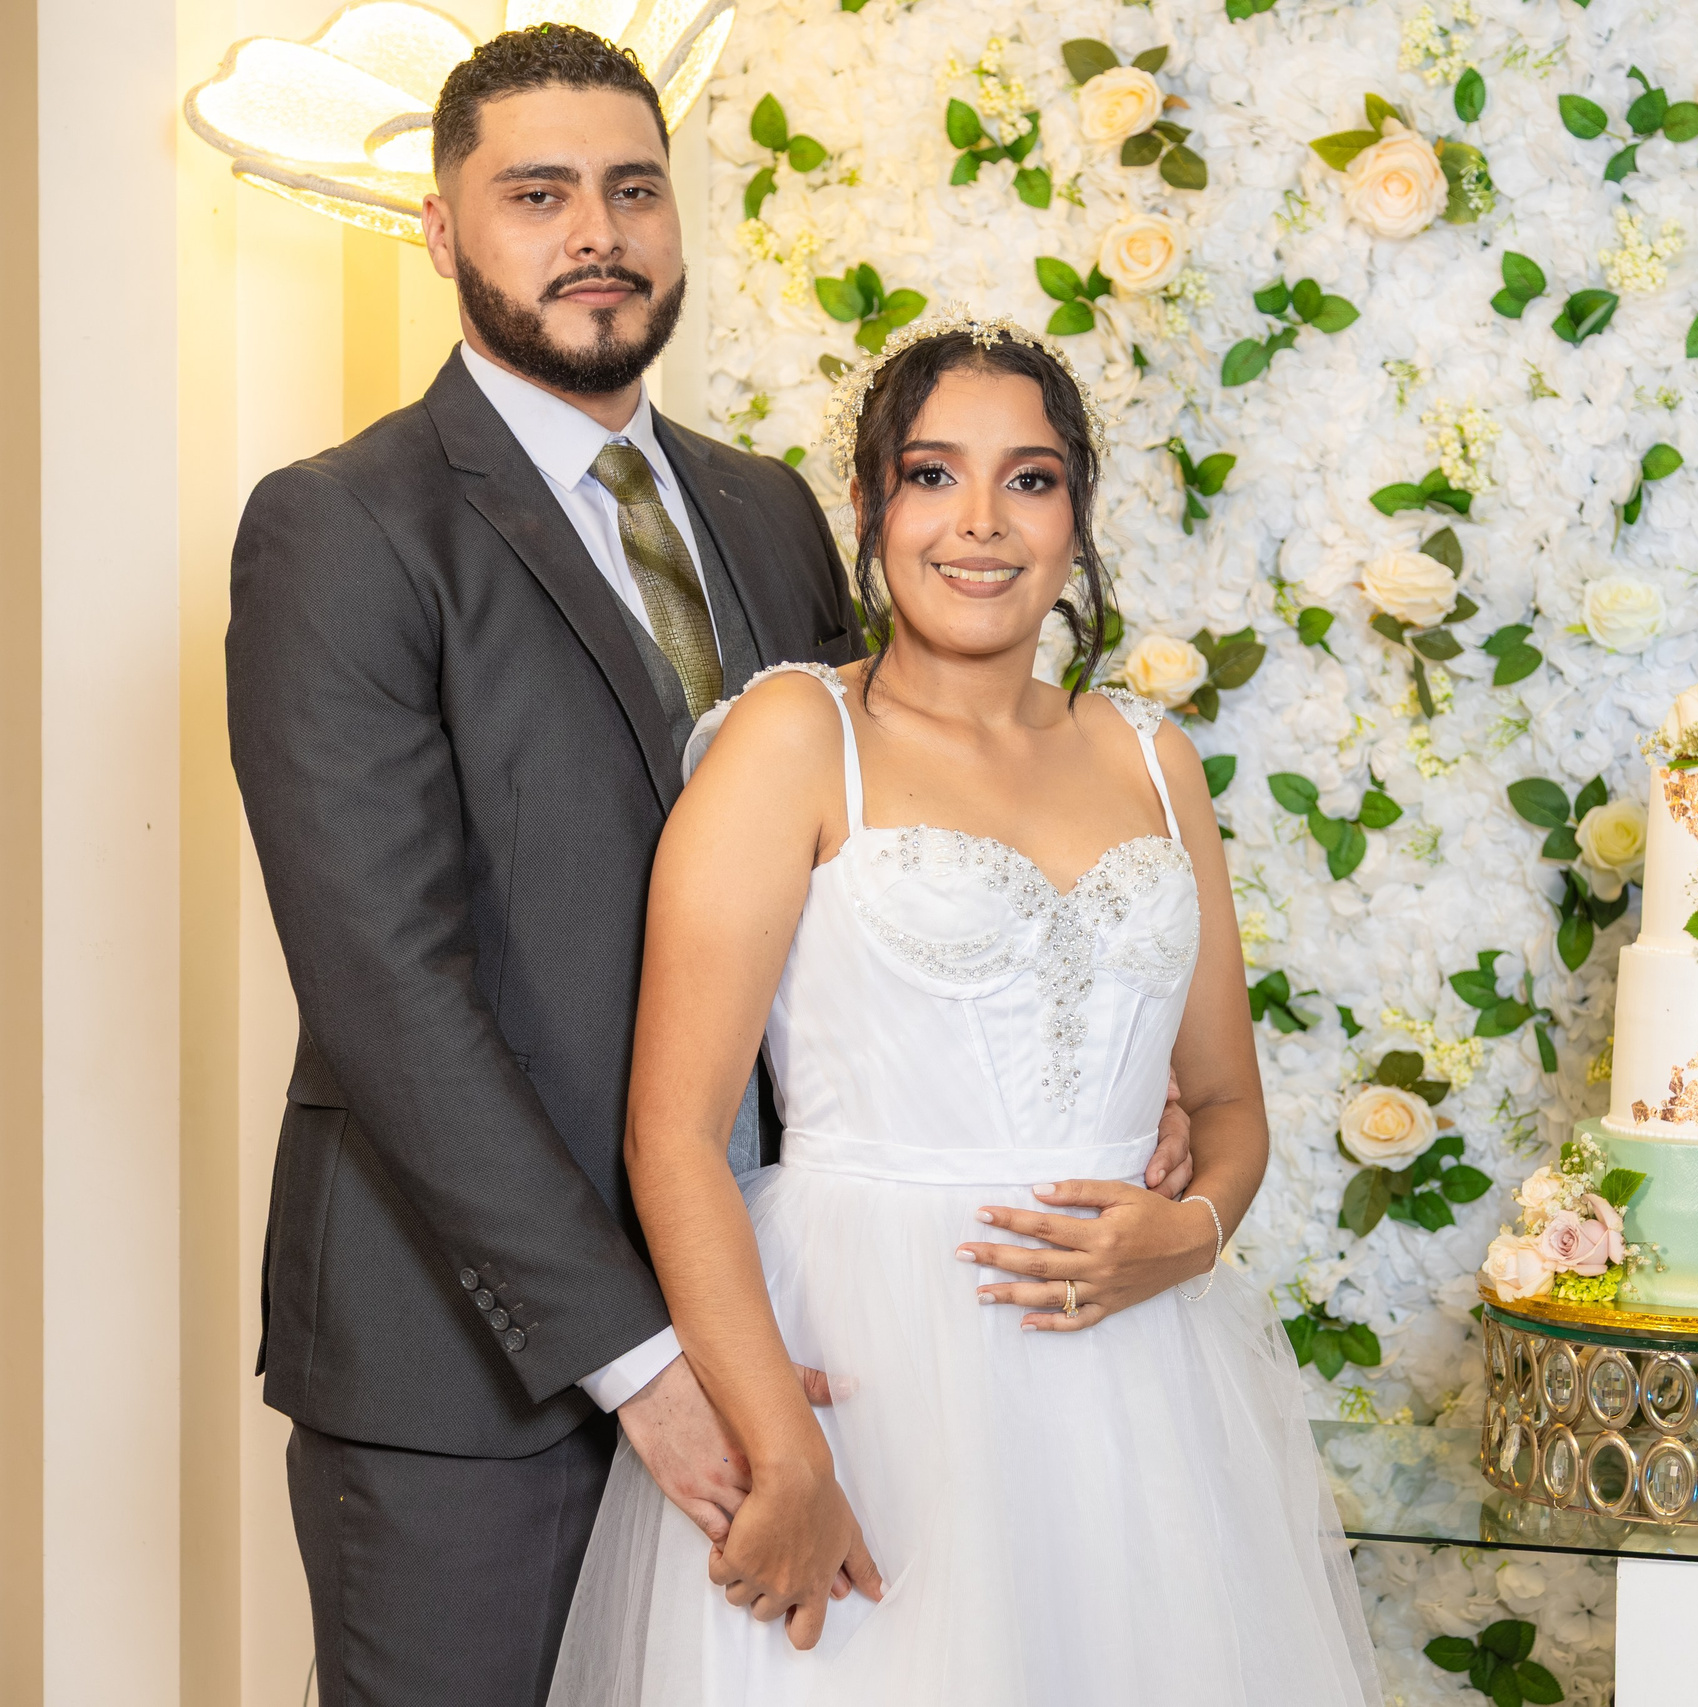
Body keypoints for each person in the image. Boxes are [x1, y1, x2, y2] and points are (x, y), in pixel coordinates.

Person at [227, 28, 1196, 1707]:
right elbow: (389, 993)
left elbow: (875, 837)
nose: (594, 232)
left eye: (631, 190)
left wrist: (1080, 1053)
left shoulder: (769, 514)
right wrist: (643, 1365)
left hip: (811, 1341)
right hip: (481, 1371)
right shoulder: (345, 526)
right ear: (445, 233)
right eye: (537, 195)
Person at [544, 312, 1382, 1704]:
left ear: (1077, 520)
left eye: (1031, 479)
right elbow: (673, 1137)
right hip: (867, 1368)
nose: (980, 523)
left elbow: (1229, 1109)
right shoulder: (794, 740)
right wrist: (784, 1447)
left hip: (1137, 1391)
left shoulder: (1155, 760)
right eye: (934, 475)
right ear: (871, 510)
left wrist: (1185, 1234)